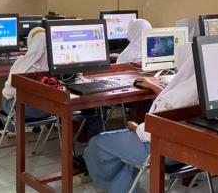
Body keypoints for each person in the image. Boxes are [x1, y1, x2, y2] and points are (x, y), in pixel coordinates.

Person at [83, 43, 198, 193]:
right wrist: (154, 86)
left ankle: (112, 186)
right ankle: (123, 188)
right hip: (192, 154)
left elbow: (152, 132)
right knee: (123, 152)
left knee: (97, 143)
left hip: (162, 150)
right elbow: (173, 105)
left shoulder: (177, 99)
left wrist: (137, 127)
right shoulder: (198, 89)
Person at [1, 27, 50, 120]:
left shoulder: (21, 64)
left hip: (24, 110)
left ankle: (10, 126)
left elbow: (8, 93)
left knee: (6, 94)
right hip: (48, 110)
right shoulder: (53, 65)